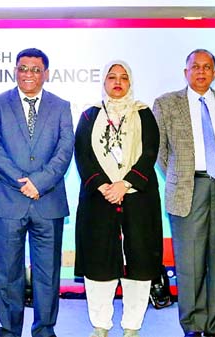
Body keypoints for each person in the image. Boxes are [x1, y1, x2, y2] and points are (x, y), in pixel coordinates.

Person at [0, 47, 74, 337]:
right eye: (23, 68)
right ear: (15, 71)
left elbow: (65, 149)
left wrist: (41, 183)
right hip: (8, 202)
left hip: (48, 202)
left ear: (46, 73)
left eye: (35, 69)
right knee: (8, 274)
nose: (29, 74)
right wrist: (22, 182)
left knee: (48, 274)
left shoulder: (61, 105)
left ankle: (45, 330)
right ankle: (9, 331)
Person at [153, 49, 215, 337]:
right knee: (189, 262)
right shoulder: (166, 104)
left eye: (207, 67)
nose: (201, 72)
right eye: (195, 67)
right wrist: (181, 176)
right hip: (189, 188)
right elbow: (159, 152)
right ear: (185, 72)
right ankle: (192, 325)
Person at [74, 60, 160, 337]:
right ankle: (101, 324)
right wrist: (104, 186)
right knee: (99, 262)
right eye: (112, 77)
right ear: (104, 82)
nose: (118, 82)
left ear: (131, 82)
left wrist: (125, 184)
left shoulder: (144, 114)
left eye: (124, 77)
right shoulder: (90, 115)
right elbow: (83, 155)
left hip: (138, 199)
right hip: (99, 200)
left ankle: (132, 326)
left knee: (139, 262)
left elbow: (149, 154)